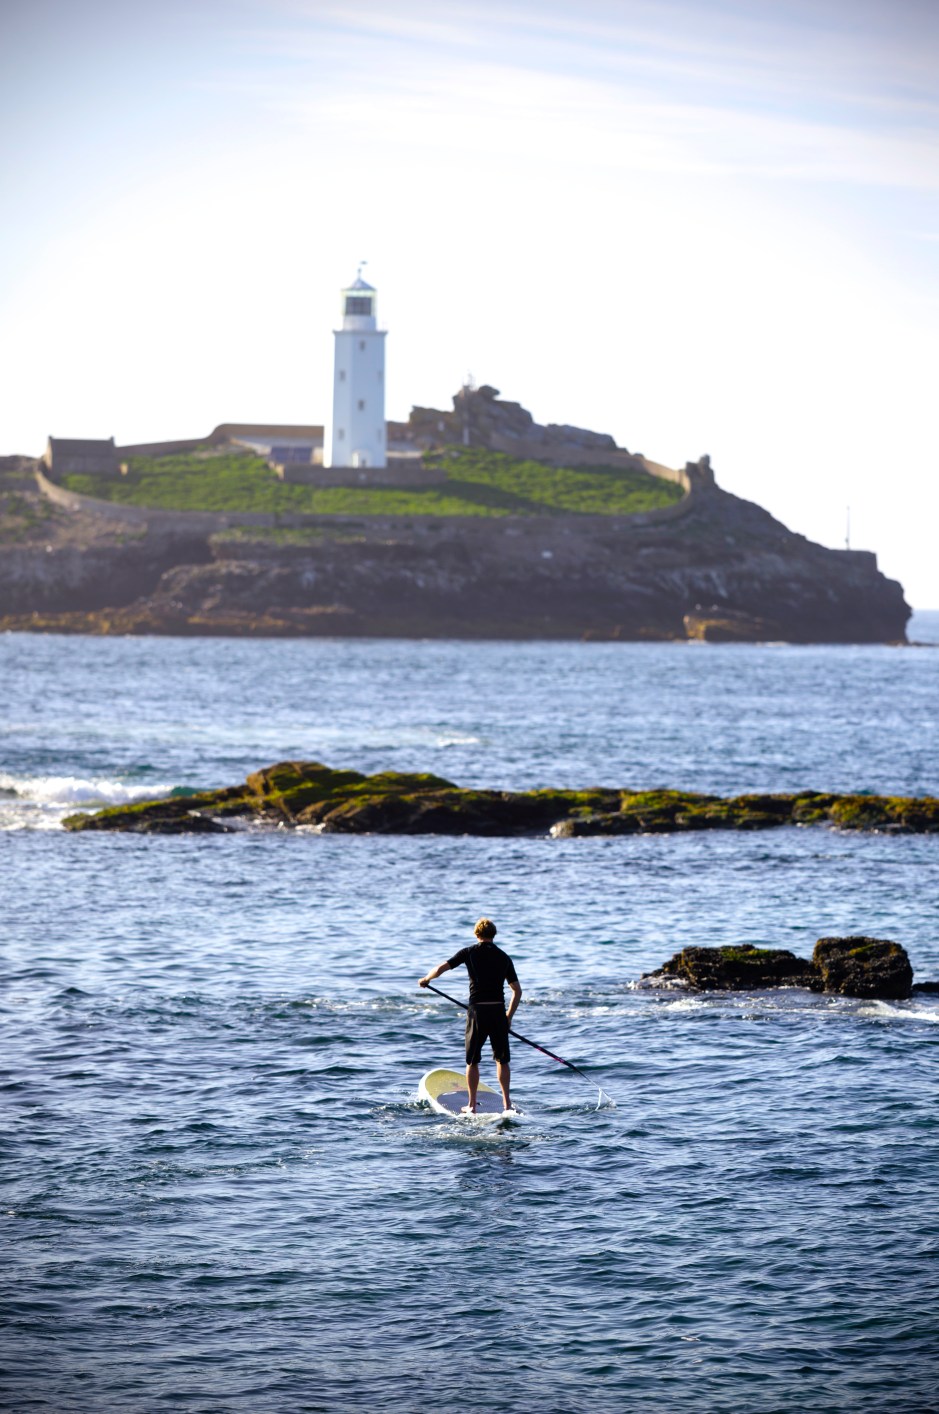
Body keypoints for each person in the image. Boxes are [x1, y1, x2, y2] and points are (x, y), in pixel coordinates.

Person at [419, 917, 522, 1113]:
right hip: (498, 1011)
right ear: (493, 935)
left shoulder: (469, 953)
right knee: (502, 1060)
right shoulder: (504, 957)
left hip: (478, 1012)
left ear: (476, 934)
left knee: (472, 1060)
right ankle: (507, 1104)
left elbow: (441, 968)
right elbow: (517, 990)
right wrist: (508, 1017)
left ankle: (471, 1105)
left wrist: (426, 979)